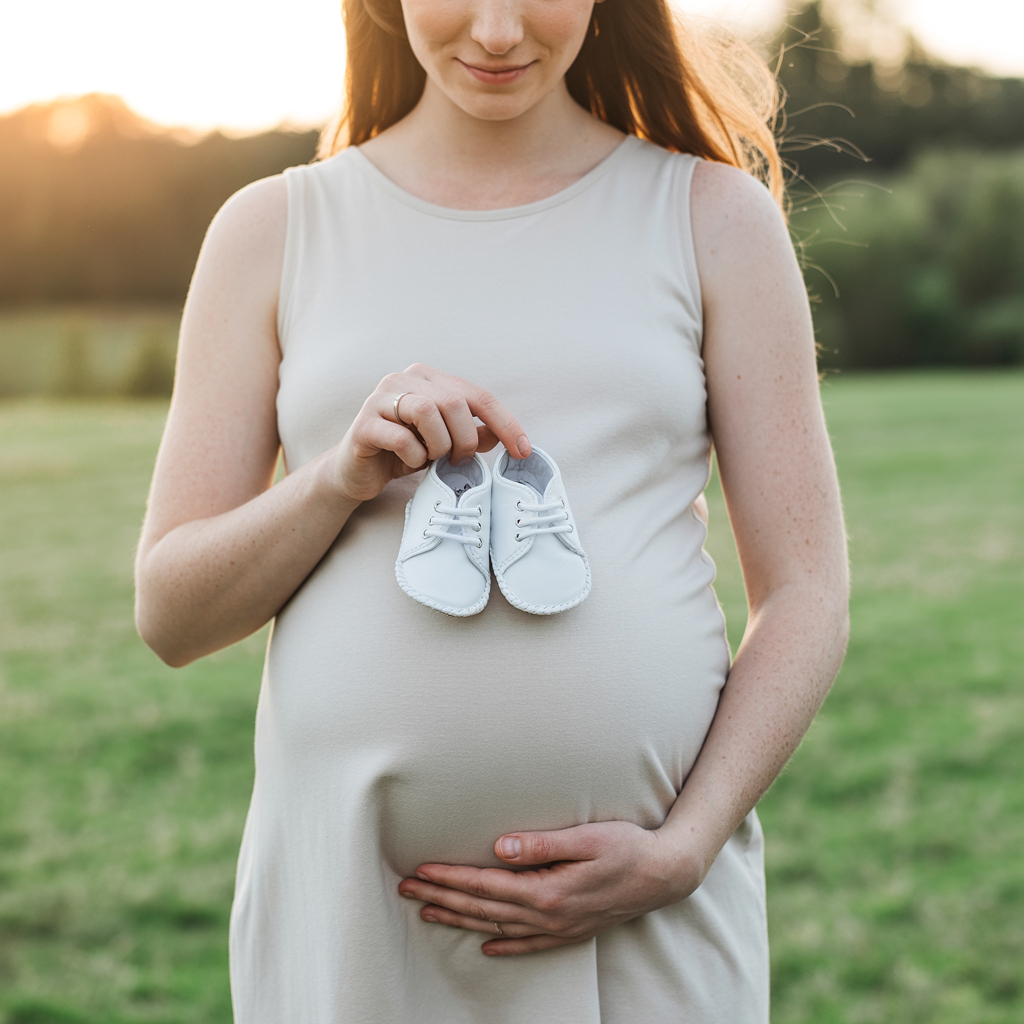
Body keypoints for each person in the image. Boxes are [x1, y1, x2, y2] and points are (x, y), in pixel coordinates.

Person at [134, 0, 850, 1020]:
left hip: (643, 917)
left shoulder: (714, 218)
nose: (500, 31)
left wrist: (680, 851)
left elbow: (809, 593)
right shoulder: (272, 230)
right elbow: (171, 613)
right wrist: (339, 475)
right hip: (355, 912)